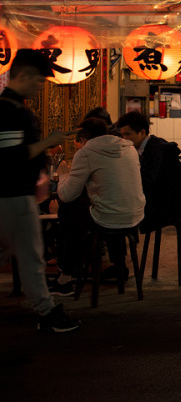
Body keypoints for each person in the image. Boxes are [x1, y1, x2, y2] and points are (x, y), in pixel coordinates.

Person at [0, 50, 80, 332]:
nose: (41, 86)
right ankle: (47, 314)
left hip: (15, 196)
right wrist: (49, 141)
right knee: (32, 258)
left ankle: (46, 311)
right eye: (39, 80)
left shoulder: (14, 108)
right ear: (22, 75)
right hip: (12, 197)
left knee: (29, 256)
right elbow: (10, 156)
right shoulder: (9, 111)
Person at [57, 117, 146, 286]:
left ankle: (66, 276)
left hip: (109, 218)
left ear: (83, 138)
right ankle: (118, 266)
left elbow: (67, 195)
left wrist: (62, 176)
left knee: (68, 210)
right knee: (109, 206)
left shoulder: (85, 153)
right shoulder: (129, 149)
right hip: (135, 215)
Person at [116, 110, 181, 235]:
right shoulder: (150, 147)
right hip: (165, 203)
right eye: (122, 135)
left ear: (142, 132)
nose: (124, 139)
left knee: (114, 218)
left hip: (167, 208)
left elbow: (147, 182)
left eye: (127, 134)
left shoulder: (155, 151)